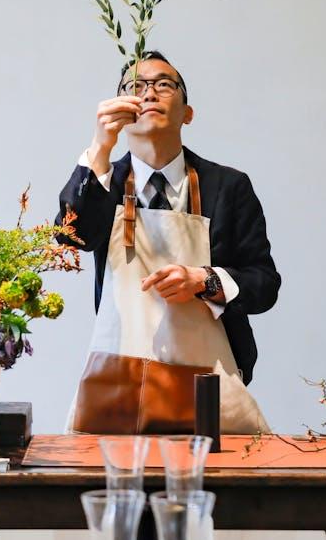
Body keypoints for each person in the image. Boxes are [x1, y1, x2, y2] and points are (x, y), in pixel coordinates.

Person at [56, 50, 280, 434]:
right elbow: (70, 236)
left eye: (163, 84)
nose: (149, 93)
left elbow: (265, 285)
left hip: (207, 384)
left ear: (187, 113)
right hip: (118, 377)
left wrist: (203, 281)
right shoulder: (103, 180)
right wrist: (100, 148)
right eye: (135, 86)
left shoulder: (228, 186)